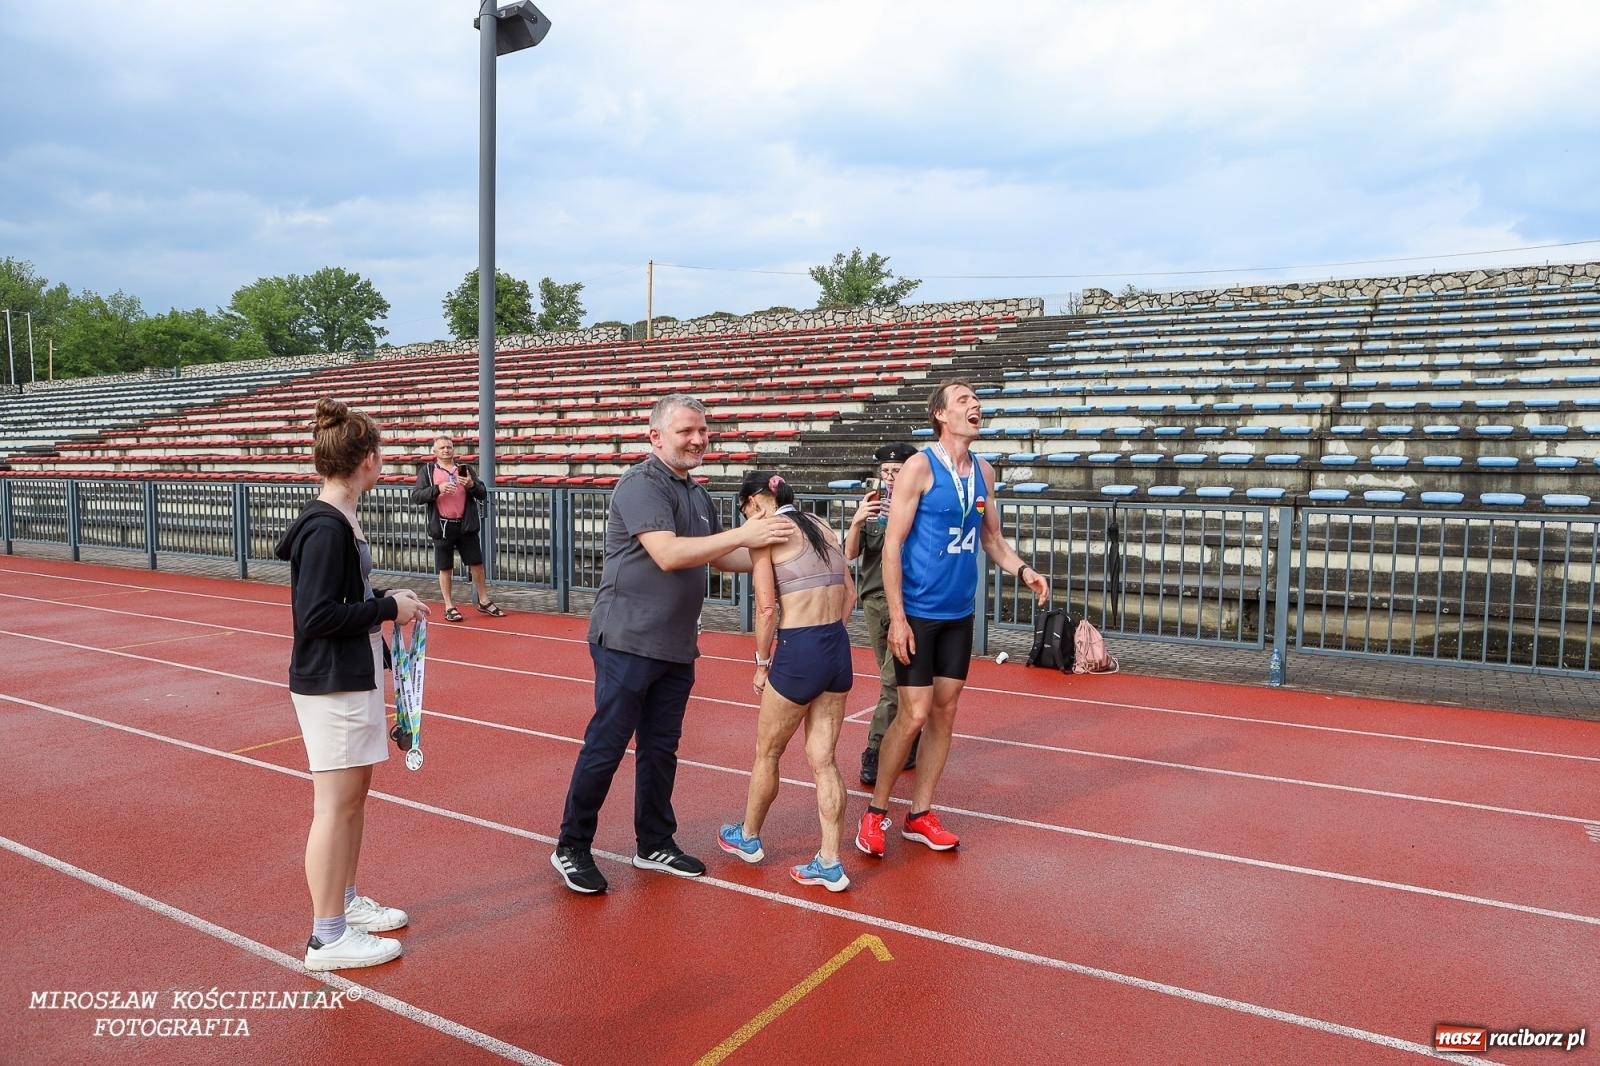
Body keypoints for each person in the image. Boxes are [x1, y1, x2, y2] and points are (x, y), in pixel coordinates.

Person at [551, 395, 797, 894]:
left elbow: (722, 559)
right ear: (655, 436)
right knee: (608, 744)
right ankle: (572, 846)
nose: (699, 439)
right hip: (626, 639)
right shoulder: (641, 484)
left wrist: (790, 553)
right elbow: (667, 553)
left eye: (704, 431)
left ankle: (654, 842)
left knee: (661, 749)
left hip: (676, 645)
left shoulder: (696, 493)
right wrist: (745, 533)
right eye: (687, 431)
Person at [855, 378, 1051, 858]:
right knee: (914, 713)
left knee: (944, 713)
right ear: (941, 414)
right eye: (964, 400)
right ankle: (875, 814)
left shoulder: (983, 471)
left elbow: (992, 539)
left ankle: (919, 814)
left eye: (976, 400)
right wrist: (897, 618)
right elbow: (893, 546)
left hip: (958, 613)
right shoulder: (919, 467)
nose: (975, 405)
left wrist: (1022, 569)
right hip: (918, 612)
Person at [273, 397, 430, 971]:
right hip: (331, 683)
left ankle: (342, 905)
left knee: (352, 802)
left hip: (352, 676)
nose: (383, 458)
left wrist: (389, 605)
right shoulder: (326, 528)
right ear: (365, 459)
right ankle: (326, 935)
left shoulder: (341, 519)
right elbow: (314, 617)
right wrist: (387, 605)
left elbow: (346, 600)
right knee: (334, 808)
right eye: (380, 450)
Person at [718, 470, 857, 892]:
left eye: (745, 509)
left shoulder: (767, 533)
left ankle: (748, 837)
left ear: (756, 502)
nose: (746, 518)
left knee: (768, 752)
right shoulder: (821, 525)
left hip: (800, 648)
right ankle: (831, 862)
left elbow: (765, 610)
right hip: (836, 644)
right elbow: (849, 592)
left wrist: (762, 663)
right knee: (825, 760)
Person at [843, 442, 920, 786]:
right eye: (886, 472)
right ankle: (912, 738)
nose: (890, 478)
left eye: (897, 471)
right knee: (895, 680)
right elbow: (851, 554)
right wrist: (858, 522)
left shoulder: (920, 503)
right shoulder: (872, 504)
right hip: (875, 599)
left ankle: (875, 748)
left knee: (891, 681)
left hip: (908, 602)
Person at [410, 435, 504, 622]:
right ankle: (449, 605)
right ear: (434, 451)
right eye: (442, 447)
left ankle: (483, 600)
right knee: (445, 567)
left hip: (465, 525)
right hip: (443, 526)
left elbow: (482, 493)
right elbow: (417, 496)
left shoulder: (464, 469)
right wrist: (438, 489)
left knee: (476, 563)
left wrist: (471, 485)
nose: (446, 450)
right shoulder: (428, 471)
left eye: (449, 447)